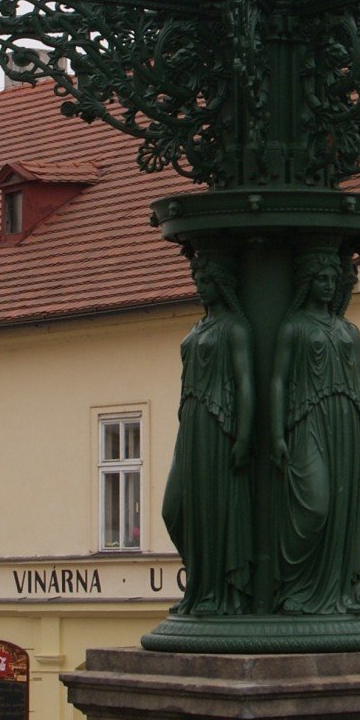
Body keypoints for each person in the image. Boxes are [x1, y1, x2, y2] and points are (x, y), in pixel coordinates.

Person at [270, 248, 360, 614]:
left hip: (348, 425)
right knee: (315, 507)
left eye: (332, 279)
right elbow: (277, 381)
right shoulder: (294, 327)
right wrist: (276, 433)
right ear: (307, 282)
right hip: (308, 421)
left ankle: (349, 583)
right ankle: (298, 586)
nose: (328, 285)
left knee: (346, 509)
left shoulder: (350, 333)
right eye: (321, 279)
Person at [162, 250, 255, 614]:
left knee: (217, 508)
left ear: (221, 283)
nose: (200, 288)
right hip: (192, 425)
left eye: (206, 281)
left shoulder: (235, 328)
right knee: (177, 507)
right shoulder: (197, 329)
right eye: (197, 281)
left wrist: (244, 436)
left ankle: (220, 591)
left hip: (221, 426)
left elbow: (246, 382)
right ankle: (199, 585)